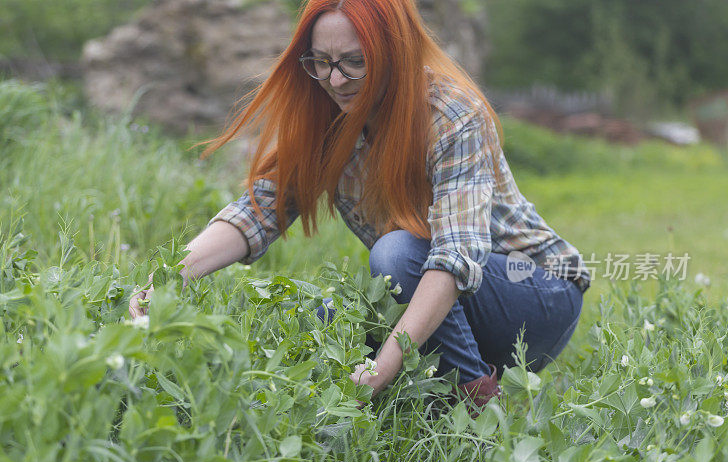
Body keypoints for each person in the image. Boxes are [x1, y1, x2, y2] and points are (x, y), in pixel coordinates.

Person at [129, 0, 590, 409]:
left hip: (532, 292)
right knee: (325, 319)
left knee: (395, 255)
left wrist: (382, 370)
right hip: (445, 295)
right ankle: (432, 392)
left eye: (354, 62)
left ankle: (476, 404)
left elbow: (454, 260)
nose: (334, 79)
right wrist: (169, 280)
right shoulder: (328, 116)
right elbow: (260, 209)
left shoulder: (451, 115)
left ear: (394, 54)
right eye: (322, 62)